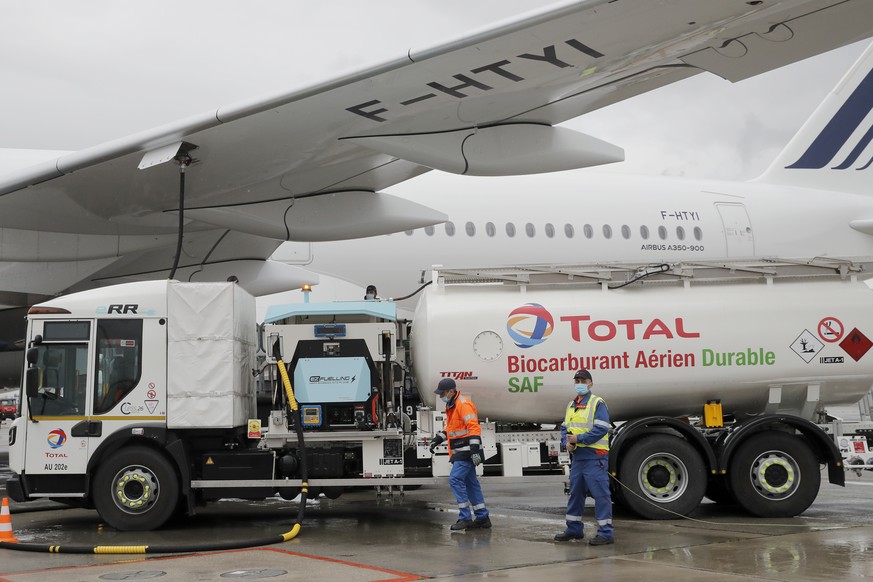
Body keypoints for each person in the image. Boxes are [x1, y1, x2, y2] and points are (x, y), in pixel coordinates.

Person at [554, 369, 614, 545]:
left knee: (600, 494)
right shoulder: (571, 405)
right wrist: (567, 442)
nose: (579, 383)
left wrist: (578, 439)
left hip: (595, 457)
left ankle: (606, 533)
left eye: (583, 380)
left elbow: (602, 428)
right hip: (579, 457)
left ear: (590, 383)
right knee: (575, 493)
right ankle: (573, 529)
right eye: (577, 380)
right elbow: (565, 427)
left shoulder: (597, 403)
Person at [429, 377, 491, 530]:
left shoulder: (463, 404)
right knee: (471, 484)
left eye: (442, 393)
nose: (441, 397)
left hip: (467, 452)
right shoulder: (452, 405)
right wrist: (437, 439)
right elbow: (451, 429)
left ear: (451, 391)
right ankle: (482, 517)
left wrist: (475, 451)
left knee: (455, 479)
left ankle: (465, 518)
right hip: (462, 452)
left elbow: (474, 428)